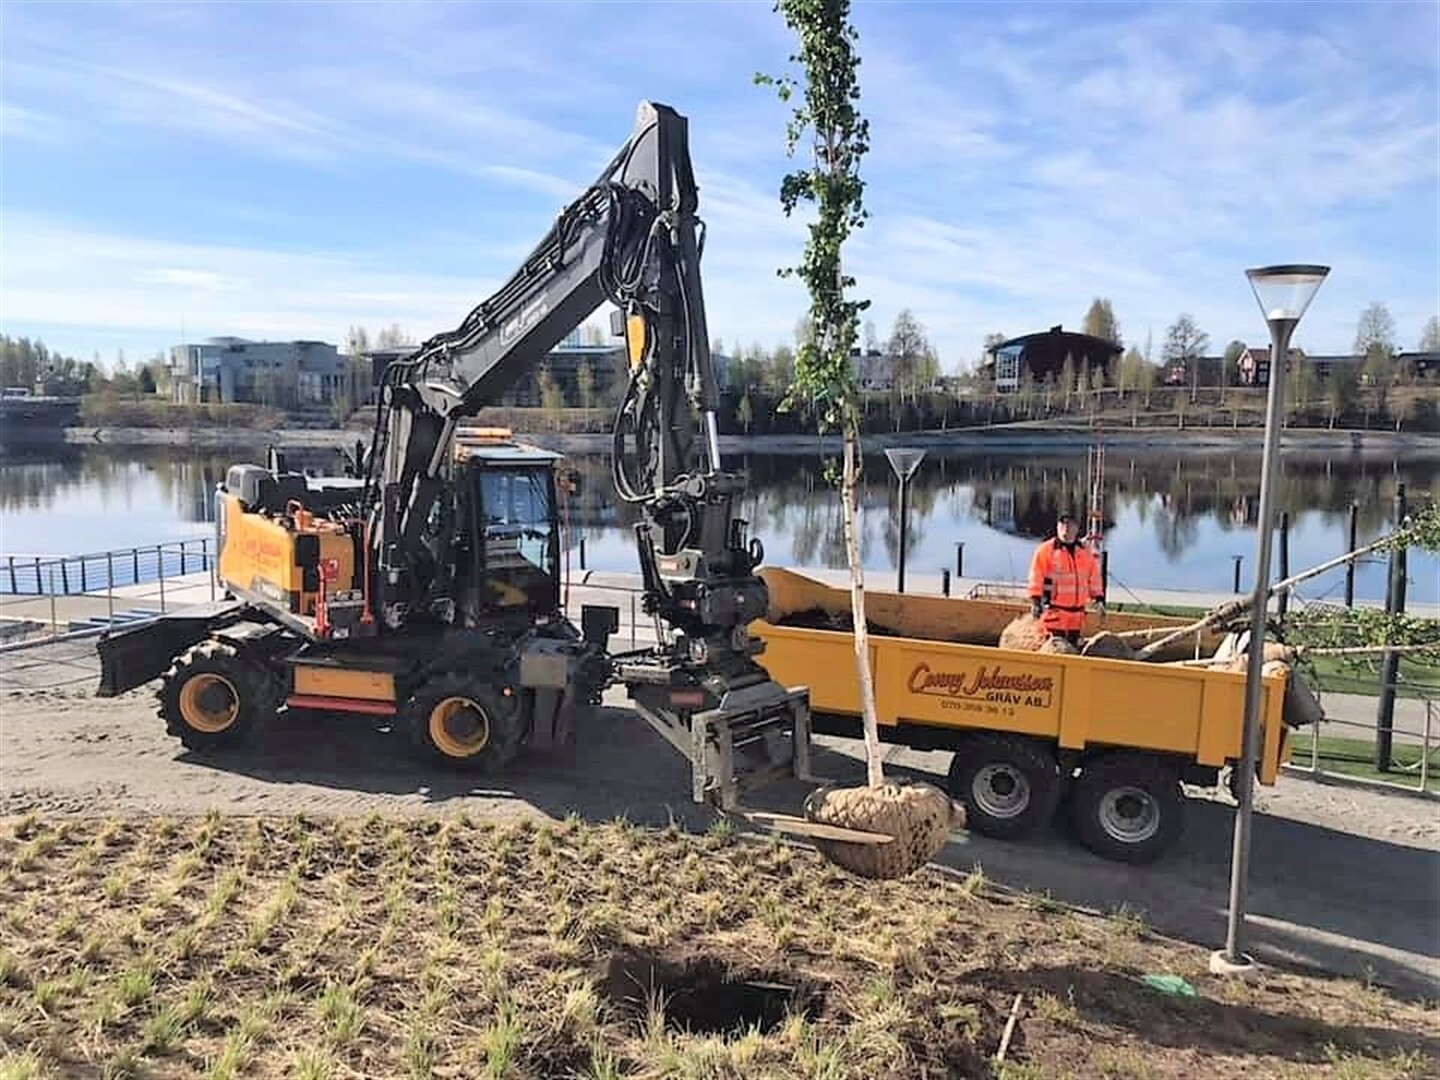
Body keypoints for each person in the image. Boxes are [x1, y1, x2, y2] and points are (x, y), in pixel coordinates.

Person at [1027, 510, 1105, 646]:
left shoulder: (1085, 552)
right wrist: (1035, 600)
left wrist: (1098, 598)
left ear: (1077, 528)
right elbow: (1036, 576)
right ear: (1057, 526)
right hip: (1054, 613)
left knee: (1072, 649)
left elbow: (1094, 578)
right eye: (1063, 524)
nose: (1066, 528)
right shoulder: (1046, 550)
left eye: (1070, 524)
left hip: (1077, 616)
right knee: (1053, 648)